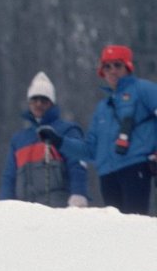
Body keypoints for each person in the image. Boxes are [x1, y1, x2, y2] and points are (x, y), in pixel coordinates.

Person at [39, 45, 157, 215]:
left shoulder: (143, 90)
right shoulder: (102, 108)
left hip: (135, 168)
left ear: (128, 67)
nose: (112, 71)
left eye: (117, 65)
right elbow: (90, 150)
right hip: (107, 176)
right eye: (107, 66)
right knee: (115, 232)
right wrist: (59, 141)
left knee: (134, 227)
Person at [0, 72, 89, 208]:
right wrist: (4, 204)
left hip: (58, 209)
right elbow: (9, 177)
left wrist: (79, 193)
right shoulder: (19, 140)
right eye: (34, 100)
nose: (38, 104)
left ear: (51, 103)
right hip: (25, 212)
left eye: (44, 100)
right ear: (29, 103)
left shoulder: (66, 131)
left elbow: (77, 164)